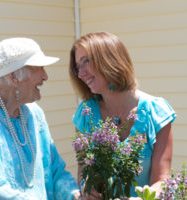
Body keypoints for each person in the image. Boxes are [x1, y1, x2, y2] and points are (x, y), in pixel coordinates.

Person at [0, 38, 82, 200]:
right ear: (14, 77)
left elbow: (55, 171)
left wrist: (75, 195)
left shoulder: (34, 113)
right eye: (39, 67)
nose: (45, 76)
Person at [69, 32, 176, 198]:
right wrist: (87, 186)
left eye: (86, 61)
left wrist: (144, 196)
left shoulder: (156, 113)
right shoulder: (85, 114)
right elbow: (83, 172)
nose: (80, 73)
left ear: (109, 59)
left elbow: (162, 179)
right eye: (77, 67)